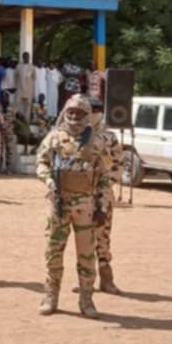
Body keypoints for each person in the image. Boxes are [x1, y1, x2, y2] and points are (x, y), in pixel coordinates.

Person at [35, 95, 109, 318]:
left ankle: (86, 300)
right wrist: (48, 180)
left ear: (88, 115)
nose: (75, 117)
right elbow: (41, 163)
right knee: (53, 251)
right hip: (59, 203)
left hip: (86, 206)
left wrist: (102, 207)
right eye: (71, 112)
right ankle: (50, 297)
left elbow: (104, 177)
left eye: (80, 113)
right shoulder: (54, 139)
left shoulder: (96, 142)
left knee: (86, 255)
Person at [89, 97, 123, 294]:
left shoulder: (109, 137)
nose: (92, 113)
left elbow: (118, 164)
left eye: (95, 110)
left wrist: (105, 185)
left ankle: (106, 278)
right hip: (80, 194)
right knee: (83, 239)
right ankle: (86, 280)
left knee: (102, 236)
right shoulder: (76, 135)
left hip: (102, 195)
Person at [16, 52, 37, 123]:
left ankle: (26, 122)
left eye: (27, 57)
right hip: (20, 89)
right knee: (18, 105)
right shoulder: (18, 66)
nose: (26, 58)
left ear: (29, 57)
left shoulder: (32, 67)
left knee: (28, 107)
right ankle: (18, 121)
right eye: (24, 57)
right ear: (22, 57)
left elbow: (34, 78)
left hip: (29, 90)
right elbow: (15, 77)